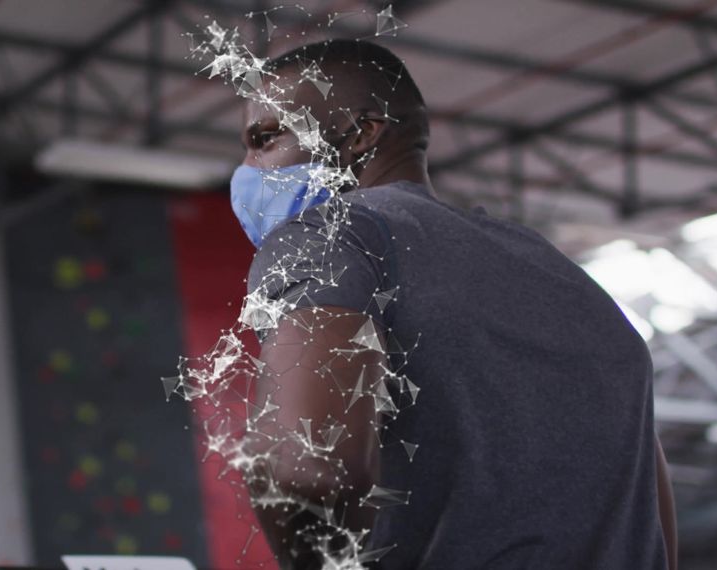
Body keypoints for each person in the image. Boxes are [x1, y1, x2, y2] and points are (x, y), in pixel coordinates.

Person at [228, 38, 676, 570]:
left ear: (361, 133)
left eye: (265, 138)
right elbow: (654, 513)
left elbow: (305, 466)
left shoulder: (331, 236)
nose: (248, 168)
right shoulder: (566, 276)